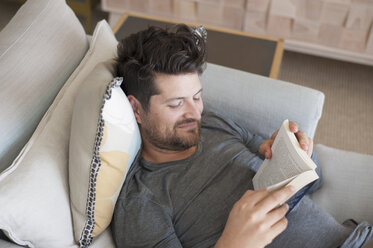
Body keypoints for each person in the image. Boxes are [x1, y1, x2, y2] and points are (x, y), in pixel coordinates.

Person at [112, 24, 372, 248]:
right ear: (136, 108)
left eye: (197, 97)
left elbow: (314, 183)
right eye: (176, 104)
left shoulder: (213, 123)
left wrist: (298, 152)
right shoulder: (142, 200)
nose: (195, 113)